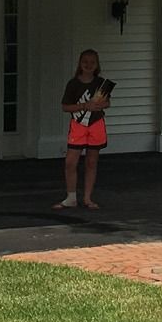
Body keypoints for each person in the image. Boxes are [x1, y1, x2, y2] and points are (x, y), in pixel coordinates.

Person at [56, 48, 112, 210]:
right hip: (78, 124)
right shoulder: (73, 83)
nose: (89, 65)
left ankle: (87, 198)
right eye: (85, 62)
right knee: (70, 162)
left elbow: (107, 103)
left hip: (96, 124)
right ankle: (71, 197)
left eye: (92, 62)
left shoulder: (100, 83)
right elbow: (65, 107)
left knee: (91, 162)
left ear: (97, 64)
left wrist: (100, 104)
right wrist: (83, 105)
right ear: (80, 64)